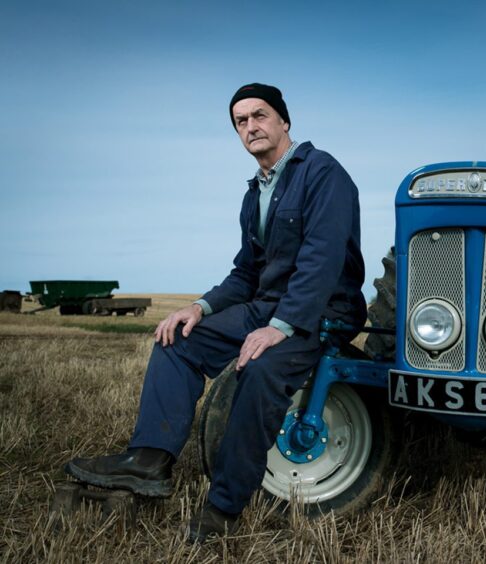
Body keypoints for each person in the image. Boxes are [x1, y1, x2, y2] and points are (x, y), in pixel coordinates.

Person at [64, 83, 367, 542]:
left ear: (284, 121)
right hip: (267, 307)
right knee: (177, 340)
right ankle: (148, 460)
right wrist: (198, 307)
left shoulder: (323, 173)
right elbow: (246, 272)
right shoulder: (255, 194)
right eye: (241, 122)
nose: (251, 127)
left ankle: (223, 509)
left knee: (261, 370)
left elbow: (322, 261)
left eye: (260, 115)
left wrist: (279, 328)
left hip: (320, 311)